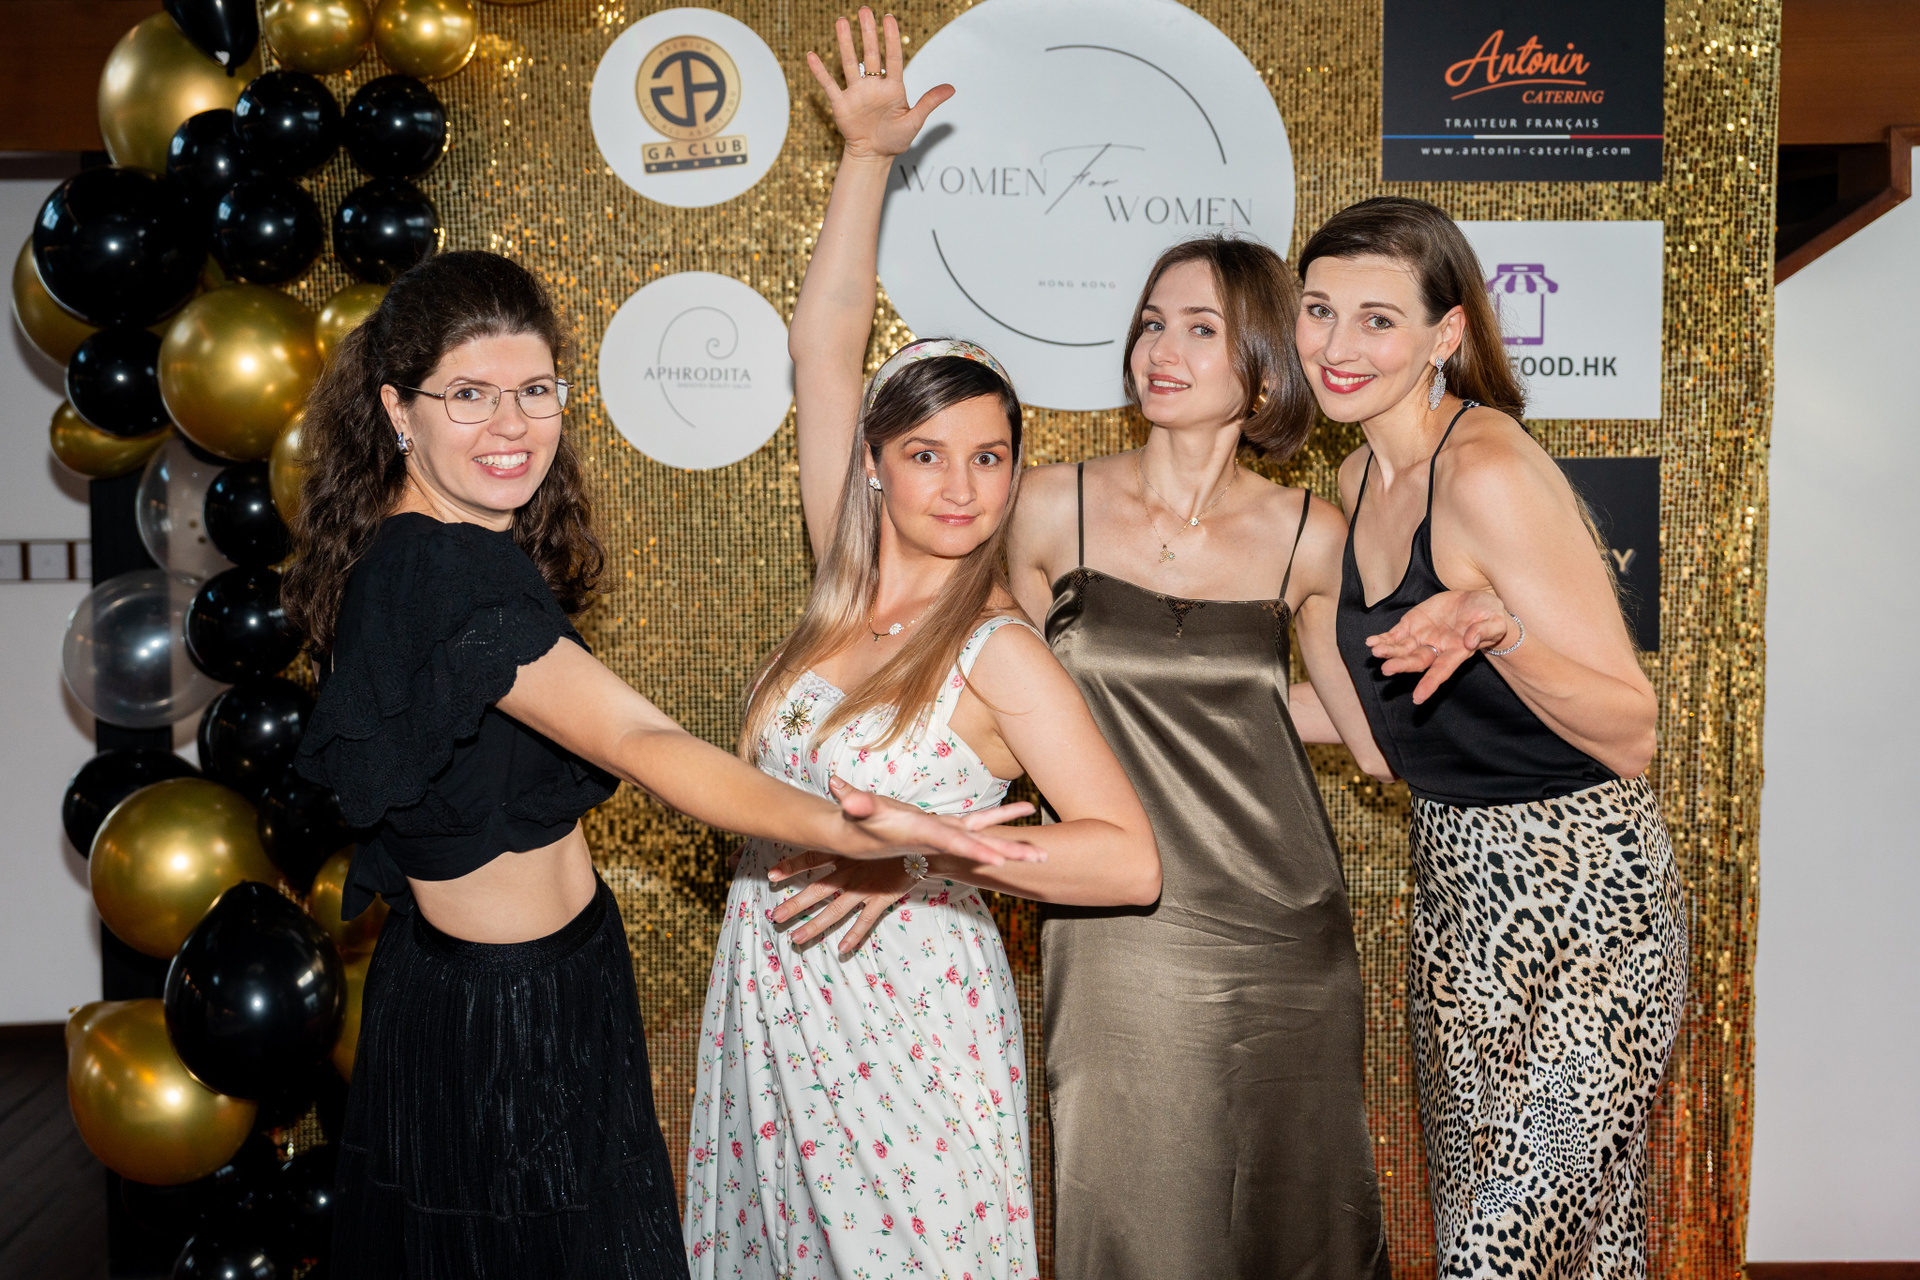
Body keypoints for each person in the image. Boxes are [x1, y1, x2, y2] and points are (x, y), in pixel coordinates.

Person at [284, 250, 1040, 1280]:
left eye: (535, 390)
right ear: (396, 408)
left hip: (535, 981)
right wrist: (859, 827)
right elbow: (643, 743)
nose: (511, 425)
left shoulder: (453, 544)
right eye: (469, 395)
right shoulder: (437, 567)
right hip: (500, 1016)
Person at [683, 12, 1160, 1279]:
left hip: (912, 1019)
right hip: (775, 996)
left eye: (990, 457)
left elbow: (1127, 861)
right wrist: (866, 159)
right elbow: (822, 345)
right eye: (927, 454)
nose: (961, 486)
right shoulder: (838, 588)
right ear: (875, 468)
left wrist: (933, 853)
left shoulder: (999, 651)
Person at [1290, 195, 1688, 1280]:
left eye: (1378, 319)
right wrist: (1166, 706)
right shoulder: (1356, 477)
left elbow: (1632, 728)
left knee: (1495, 1256)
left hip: (1591, 908)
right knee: (1585, 1254)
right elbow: (1379, 730)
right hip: (1458, 910)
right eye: (1319, 310)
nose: (1336, 345)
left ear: (1446, 334)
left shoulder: (1487, 473)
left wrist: (1501, 631)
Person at [996, 242, 1392, 1275]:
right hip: (1119, 917)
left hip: (1285, 920)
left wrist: (1488, 621)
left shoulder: (1311, 533)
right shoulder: (1047, 506)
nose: (1160, 350)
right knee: (1133, 1205)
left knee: (1288, 1216)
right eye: (1152, 324)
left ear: (1261, 370)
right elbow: (1000, 699)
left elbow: (1369, 736)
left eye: (1200, 329)